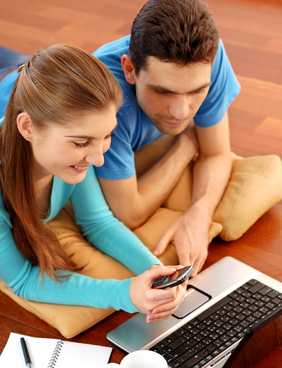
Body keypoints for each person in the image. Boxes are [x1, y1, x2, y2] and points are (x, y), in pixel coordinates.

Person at [0, 44, 187, 324]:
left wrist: (157, 272)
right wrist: (125, 293)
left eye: (106, 136)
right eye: (81, 142)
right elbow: (24, 280)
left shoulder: (77, 151)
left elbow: (98, 222)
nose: (99, 160)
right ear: (27, 128)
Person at [90, 0, 241, 277]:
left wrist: (199, 214)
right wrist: (187, 143)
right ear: (130, 69)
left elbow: (217, 154)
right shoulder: (104, 98)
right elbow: (129, 214)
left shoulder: (210, 58)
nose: (181, 113)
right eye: (163, 92)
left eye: (196, 91)